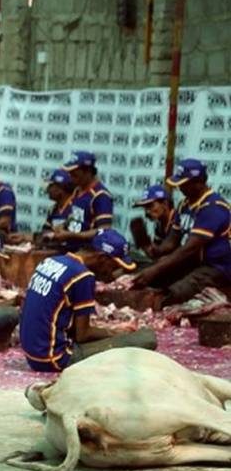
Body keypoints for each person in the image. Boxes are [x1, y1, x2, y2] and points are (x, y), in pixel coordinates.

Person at [20, 229, 157, 372]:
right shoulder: (83, 275)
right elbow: (83, 335)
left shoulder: (52, 261)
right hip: (55, 358)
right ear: (103, 258)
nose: (112, 273)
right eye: (114, 266)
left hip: (32, 355)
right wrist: (116, 332)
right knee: (146, 338)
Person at [132, 159, 230, 304]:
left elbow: (190, 248)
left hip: (217, 267)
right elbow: (172, 241)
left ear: (198, 182)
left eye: (184, 184)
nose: (180, 188)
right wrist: (154, 250)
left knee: (173, 294)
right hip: (193, 263)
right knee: (150, 280)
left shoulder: (213, 207)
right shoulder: (184, 205)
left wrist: (156, 269)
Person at [45, 151, 113, 248]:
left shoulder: (100, 196)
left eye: (74, 173)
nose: (70, 175)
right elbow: (76, 217)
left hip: (88, 251)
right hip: (70, 247)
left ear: (88, 171)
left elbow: (105, 231)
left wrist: (72, 235)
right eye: (70, 172)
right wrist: (63, 226)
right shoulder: (77, 190)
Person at [131, 184, 177, 261]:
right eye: (145, 208)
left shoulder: (178, 220)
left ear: (165, 204)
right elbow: (155, 256)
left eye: (150, 206)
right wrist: (143, 243)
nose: (147, 212)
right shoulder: (159, 225)